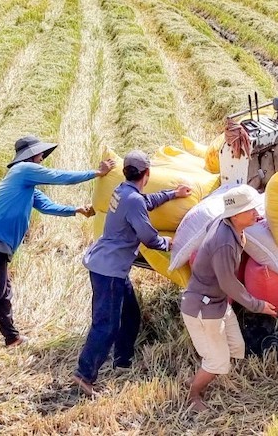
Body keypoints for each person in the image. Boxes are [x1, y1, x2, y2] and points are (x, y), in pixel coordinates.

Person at [0, 135, 115, 347]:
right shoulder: (22, 169)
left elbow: (48, 207)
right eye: (41, 155)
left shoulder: (27, 187)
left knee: (2, 292)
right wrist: (96, 173)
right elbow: (58, 176)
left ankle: (12, 338)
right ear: (32, 155)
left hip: (0, 244)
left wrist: (76, 210)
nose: (42, 158)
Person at [72, 150, 192, 397]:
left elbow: (146, 202)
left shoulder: (122, 191)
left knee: (130, 314)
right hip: (110, 271)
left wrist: (173, 194)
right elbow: (148, 237)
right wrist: (169, 243)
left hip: (107, 264)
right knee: (106, 325)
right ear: (147, 173)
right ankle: (84, 375)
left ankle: (123, 359)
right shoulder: (132, 199)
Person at [180, 185, 277, 412]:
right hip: (203, 307)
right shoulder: (224, 242)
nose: (256, 213)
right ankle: (193, 394)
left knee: (236, 346)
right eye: (250, 210)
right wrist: (257, 305)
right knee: (218, 361)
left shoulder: (228, 226)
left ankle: (203, 376)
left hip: (218, 302)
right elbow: (228, 283)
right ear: (235, 215)